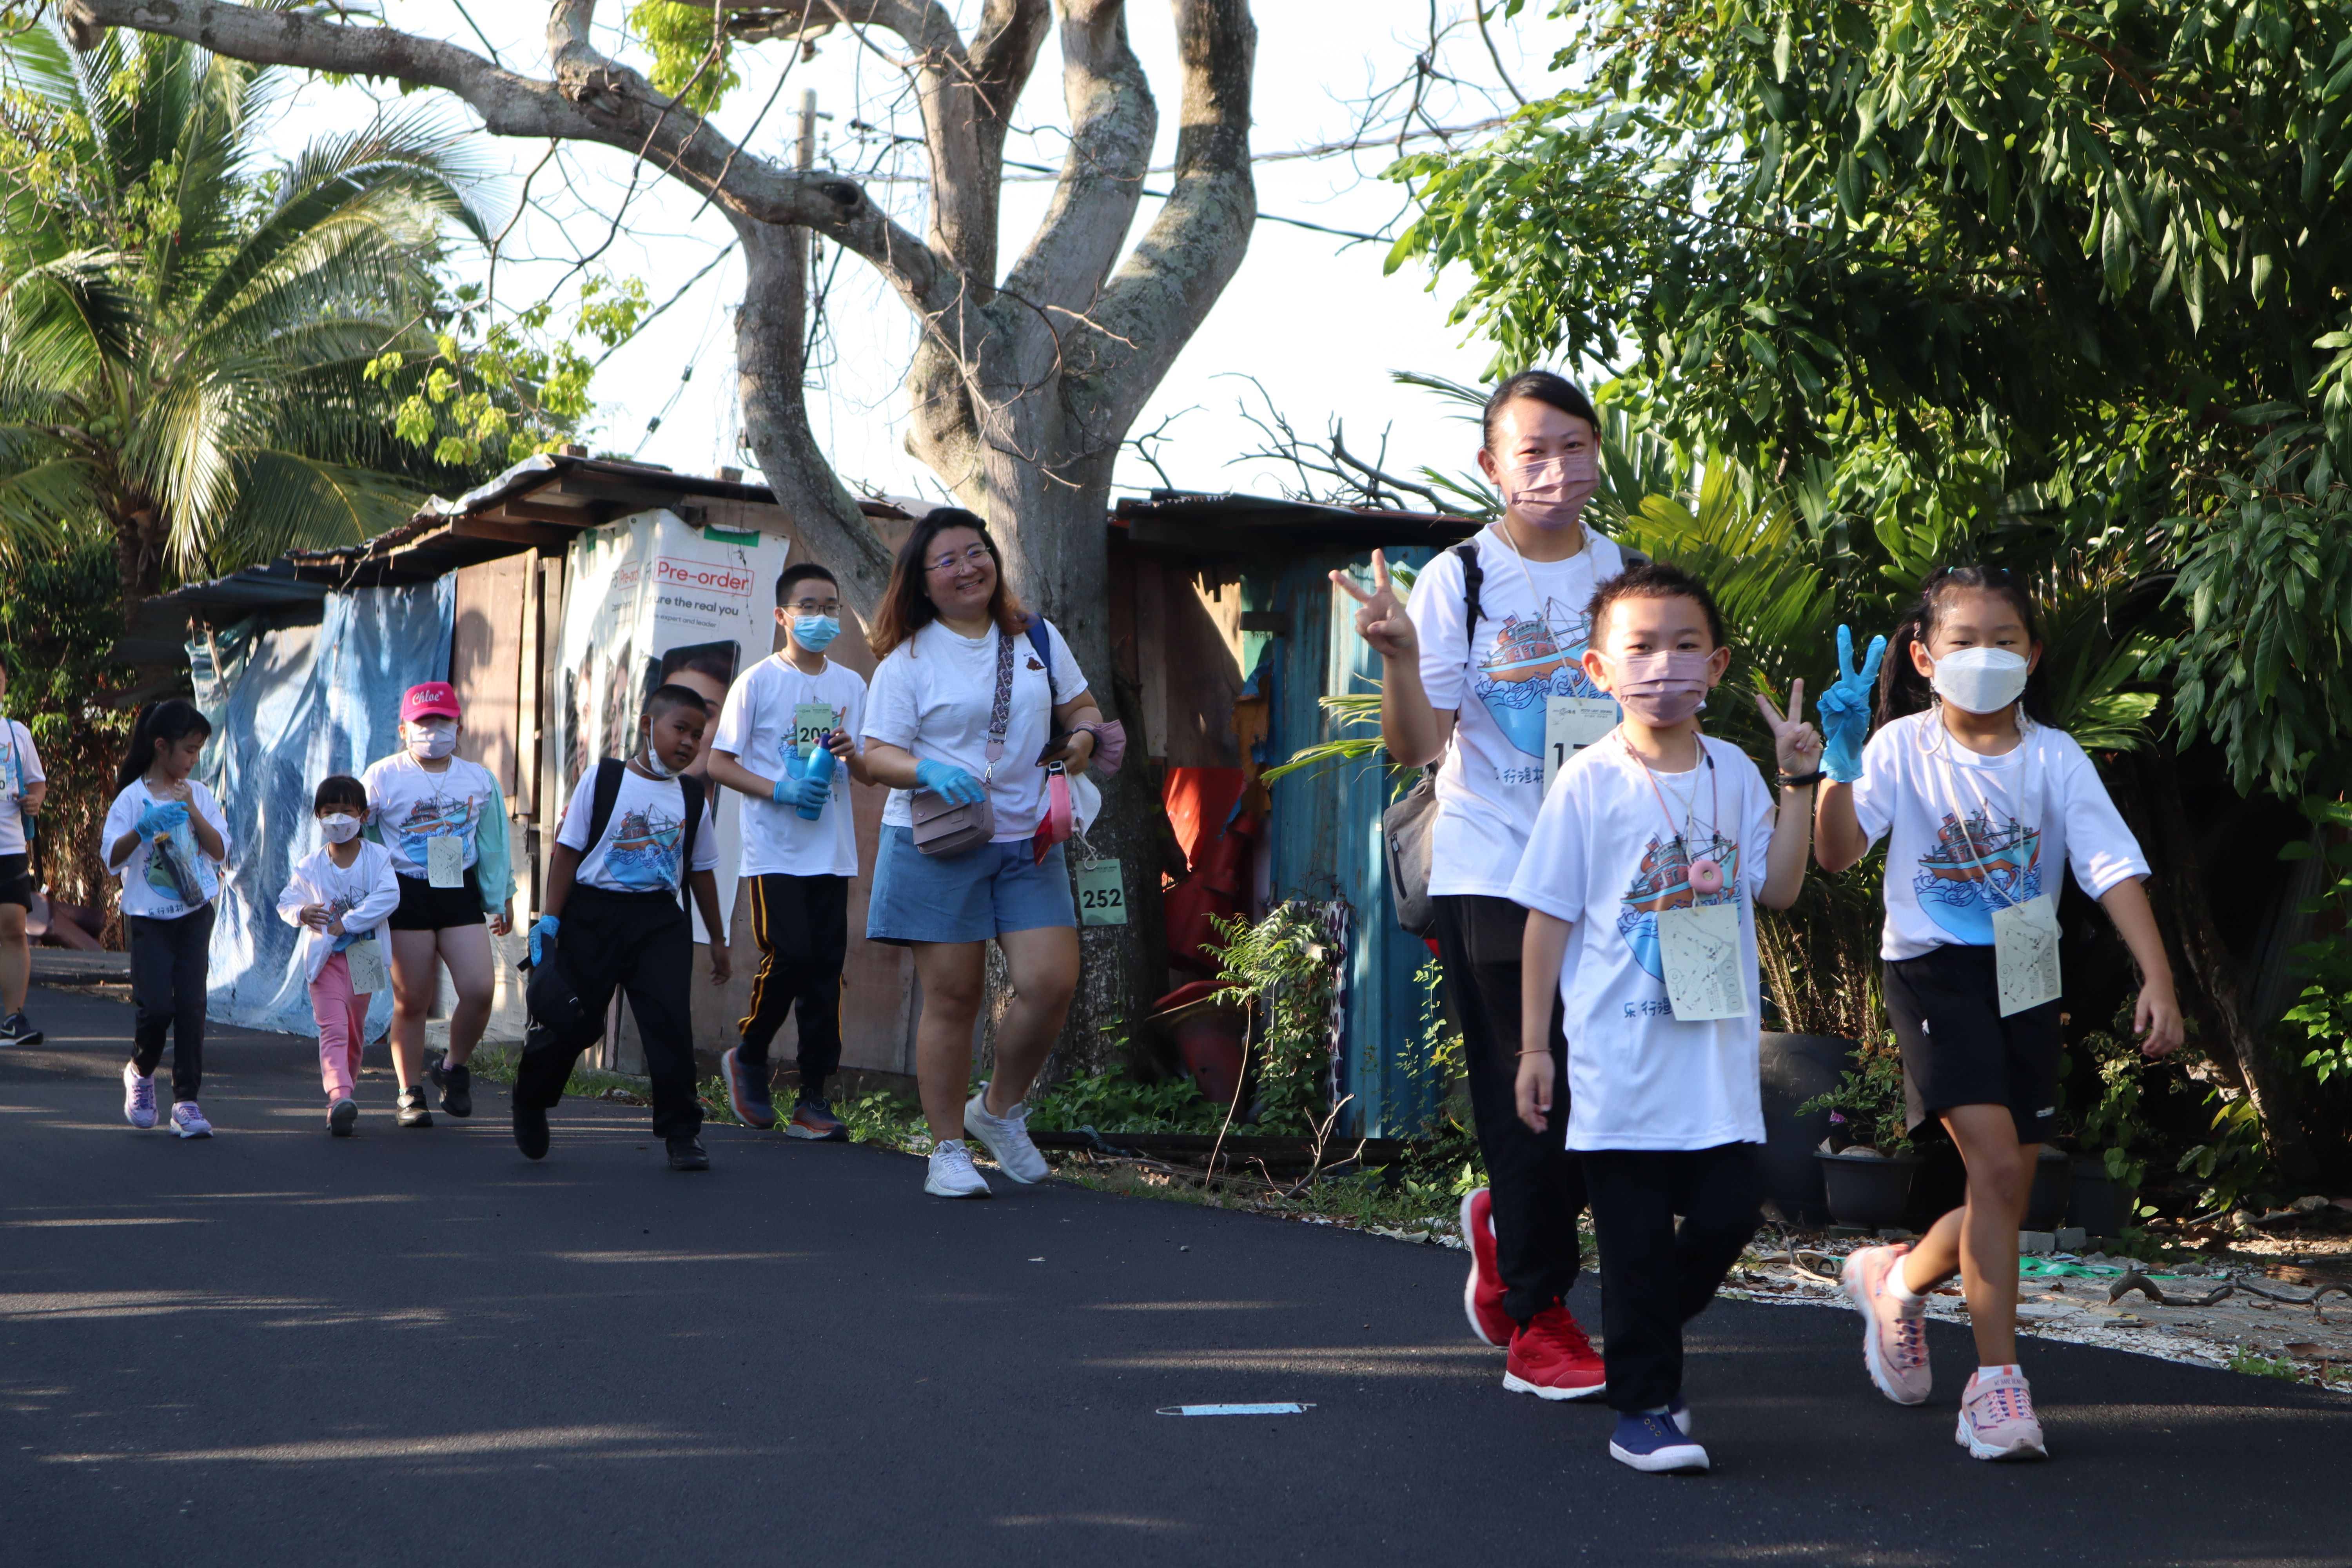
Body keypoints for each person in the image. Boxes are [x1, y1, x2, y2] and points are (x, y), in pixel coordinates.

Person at [1813, 565, 2183, 1463]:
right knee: (1993, 1165)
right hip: (1932, 972)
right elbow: (1834, 855)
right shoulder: (1900, 747)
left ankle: (1895, 1276)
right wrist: (1837, 762)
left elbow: (2109, 869)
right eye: (1963, 641)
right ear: (1923, 657)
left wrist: (2158, 978)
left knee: (2005, 1191)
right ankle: (1996, 1387)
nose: (1985, 656)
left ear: (2034, 652)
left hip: (2024, 965)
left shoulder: (2056, 756)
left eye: (2005, 639)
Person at [1328, 370, 1640, 1399]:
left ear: (1599, 454)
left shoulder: (1626, 575)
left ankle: (1508, 1225)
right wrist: (1400, 661)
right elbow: (1419, 746)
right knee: (1530, 1099)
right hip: (1494, 865)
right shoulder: (1458, 580)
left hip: (1607, 878)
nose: (1556, 471)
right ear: (1491, 466)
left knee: (1611, 1096)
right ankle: (1538, 1319)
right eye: (1532, 452)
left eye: (1574, 447)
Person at [1510, 562, 1822, 1473]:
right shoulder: (1590, 782)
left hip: (1717, 1067)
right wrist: (1536, 1045)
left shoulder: (1732, 772)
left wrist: (1799, 781)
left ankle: (1640, 1338)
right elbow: (1545, 920)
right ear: (1600, 671)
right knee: (1638, 1244)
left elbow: (1782, 887)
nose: (1664, 665)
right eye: (1639, 647)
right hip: (1619, 1064)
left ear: (1717, 664)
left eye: (1685, 645)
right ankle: (1642, 1408)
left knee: (1728, 1214)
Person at [859, 508, 1105, 1198]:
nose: (968, 568)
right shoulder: (907, 659)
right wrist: (927, 771)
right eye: (949, 561)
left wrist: (1082, 740)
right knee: (954, 995)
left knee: (1051, 983)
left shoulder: (1037, 639)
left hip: (1029, 840)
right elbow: (876, 754)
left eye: (977, 552)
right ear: (924, 582)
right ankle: (946, 1150)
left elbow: (1081, 707)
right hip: (937, 840)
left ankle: (996, 1111)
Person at [516, 684, 730, 1169]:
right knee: (575, 1020)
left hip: (658, 920)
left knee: (669, 1022)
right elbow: (568, 850)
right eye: (681, 728)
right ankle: (531, 1096)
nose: (689, 742)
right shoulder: (605, 777)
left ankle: (682, 1133)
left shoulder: (692, 795)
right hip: (593, 914)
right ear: (648, 725)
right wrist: (551, 919)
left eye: (698, 735)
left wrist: (717, 938)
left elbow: (700, 870)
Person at [707, 561, 870, 1138]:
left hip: (831, 849)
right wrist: (779, 788)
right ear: (782, 616)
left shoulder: (852, 685)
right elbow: (718, 763)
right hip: (774, 849)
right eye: (809, 606)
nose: (822, 617)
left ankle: (813, 1098)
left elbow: (871, 770)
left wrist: (855, 753)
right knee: (791, 954)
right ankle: (748, 1056)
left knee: (827, 969)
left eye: (831, 607)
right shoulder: (757, 681)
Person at [360, 682, 514, 1128]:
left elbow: (493, 843)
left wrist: (500, 896)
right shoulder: (383, 776)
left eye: (443, 721)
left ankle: (452, 1067)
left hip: (458, 890)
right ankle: (409, 1092)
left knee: (480, 989)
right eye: (424, 722)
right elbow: (356, 834)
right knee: (414, 1000)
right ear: (404, 728)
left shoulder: (478, 778)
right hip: (405, 893)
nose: (434, 730)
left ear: (459, 725)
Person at [103, 699, 231, 1138]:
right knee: (157, 1007)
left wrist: (193, 809)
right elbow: (110, 860)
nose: (194, 760)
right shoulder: (131, 798)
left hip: (196, 913)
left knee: (192, 1005)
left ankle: (187, 1102)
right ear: (161, 746)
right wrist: (142, 828)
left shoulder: (202, 794)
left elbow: (220, 851)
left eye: (199, 752)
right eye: (189, 751)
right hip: (148, 917)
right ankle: (140, 1072)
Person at [277, 776, 400, 1136]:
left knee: (355, 1031)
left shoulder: (378, 857)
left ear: (362, 815)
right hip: (325, 961)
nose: (338, 819)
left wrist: (346, 923)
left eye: (346, 811)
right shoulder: (310, 865)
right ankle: (339, 1095)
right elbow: (287, 902)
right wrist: (303, 914)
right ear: (318, 817)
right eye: (329, 812)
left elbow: (389, 897)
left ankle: (343, 1097)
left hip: (365, 956)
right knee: (333, 1028)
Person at [0, 658, 48, 1047]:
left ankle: (13, 1018)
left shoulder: (17, 734)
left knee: (14, 930)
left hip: (10, 847)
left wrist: (33, 801)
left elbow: (36, 783)